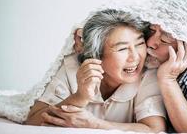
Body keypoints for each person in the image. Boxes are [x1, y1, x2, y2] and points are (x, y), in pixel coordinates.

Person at [25, 9, 166, 133]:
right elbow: (32, 121)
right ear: (96, 54)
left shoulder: (148, 73)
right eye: (122, 49)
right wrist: (80, 97)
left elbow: (154, 129)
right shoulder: (72, 67)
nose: (135, 57)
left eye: (140, 44)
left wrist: (94, 124)